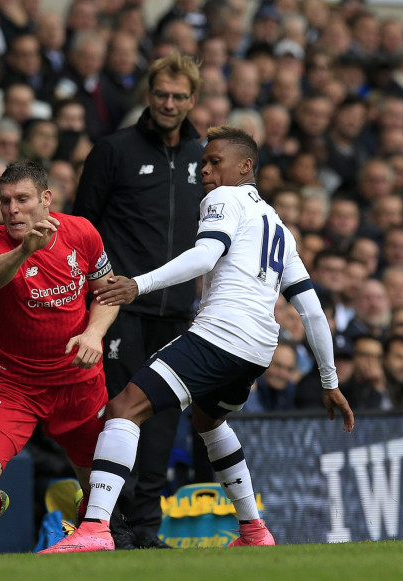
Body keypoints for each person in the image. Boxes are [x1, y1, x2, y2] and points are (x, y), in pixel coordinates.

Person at [41, 127, 354, 553]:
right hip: (259, 349)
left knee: (124, 407)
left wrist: (138, 285)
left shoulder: (223, 198)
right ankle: (254, 532)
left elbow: (205, 256)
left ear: (245, 167)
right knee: (208, 421)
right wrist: (330, 381)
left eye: (214, 162)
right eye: (203, 162)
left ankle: (95, 529)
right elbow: (312, 310)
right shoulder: (278, 225)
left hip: (222, 334)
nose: (204, 169)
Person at [70, 50, 205, 550]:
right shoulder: (113, 150)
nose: (168, 104)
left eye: (178, 96)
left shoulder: (202, 160)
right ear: (148, 95)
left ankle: (145, 530)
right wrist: (88, 306)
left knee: (164, 420)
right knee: (117, 414)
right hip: (119, 310)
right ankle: (111, 525)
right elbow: (82, 228)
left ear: (193, 100)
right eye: (161, 94)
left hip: (176, 314)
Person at [0, 160, 119, 556]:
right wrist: (26, 249)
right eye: (5, 201)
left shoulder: (81, 232)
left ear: (46, 199)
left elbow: (106, 292)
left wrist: (94, 332)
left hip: (77, 379)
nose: (12, 210)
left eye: (22, 199)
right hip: (14, 385)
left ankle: (86, 526)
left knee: (100, 493)